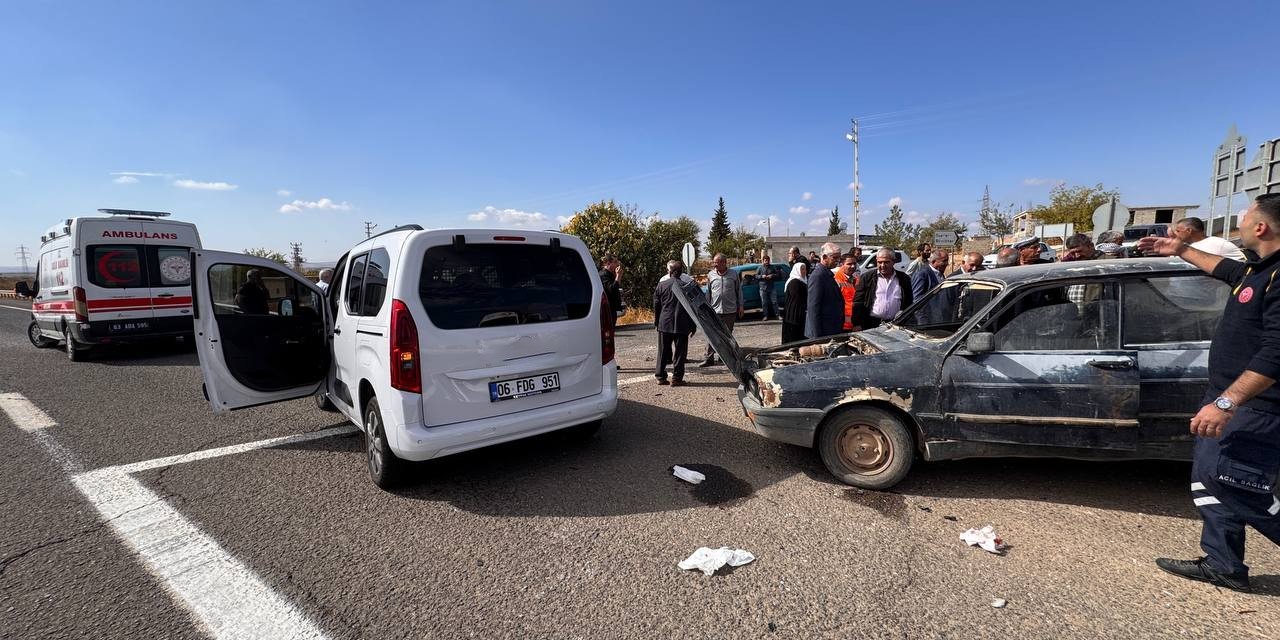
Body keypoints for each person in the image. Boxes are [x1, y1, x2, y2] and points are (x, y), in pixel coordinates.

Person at [1138, 194, 1280, 594]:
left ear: (1261, 227)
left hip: (1255, 406)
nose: (1240, 220)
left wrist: (1226, 402)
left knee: (1234, 482)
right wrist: (1181, 249)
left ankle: (1225, 562)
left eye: (1246, 215)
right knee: (1208, 478)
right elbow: (1230, 272)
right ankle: (1224, 564)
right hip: (1228, 397)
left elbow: (1276, 352)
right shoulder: (1260, 268)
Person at [653, 260, 696, 387]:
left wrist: (657, 322)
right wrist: (693, 325)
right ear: (681, 272)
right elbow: (693, 308)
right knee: (680, 352)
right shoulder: (686, 286)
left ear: (670, 272)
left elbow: (656, 305)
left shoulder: (661, 285)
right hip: (682, 324)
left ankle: (660, 376)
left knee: (663, 351)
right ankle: (677, 378)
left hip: (664, 323)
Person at [698, 253, 743, 367]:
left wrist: (741, 306)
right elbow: (708, 293)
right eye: (714, 262)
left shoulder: (733, 274)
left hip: (730, 311)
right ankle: (709, 358)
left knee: (727, 336)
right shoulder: (711, 275)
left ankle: (725, 358)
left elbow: (739, 291)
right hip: (715, 311)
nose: (714, 265)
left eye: (716, 263)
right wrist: (706, 309)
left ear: (724, 263)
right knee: (711, 334)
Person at [853, 248, 913, 330]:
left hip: (896, 325)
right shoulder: (867, 278)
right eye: (879, 262)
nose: (882, 265)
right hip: (871, 324)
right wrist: (857, 323)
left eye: (886, 262)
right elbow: (858, 302)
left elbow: (909, 302)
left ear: (894, 261)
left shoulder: (904, 278)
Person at [805, 242, 844, 339]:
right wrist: (817, 337)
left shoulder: (826, 273)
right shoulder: (818, 276)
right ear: (825, 257)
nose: (837, 261)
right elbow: (813, 308)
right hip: (823, 332)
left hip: (830, 329)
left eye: (839, 258)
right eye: (834, 258)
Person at [1172, 217, 1247, 262]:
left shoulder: (1219, 244)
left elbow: (1242, 264)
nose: (1175, 233)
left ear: (1189, 231)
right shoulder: (1181, 246)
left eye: (1178, 231)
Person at [782, 262, 809, 343]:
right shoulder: (794, 282)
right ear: (797, 270)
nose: (804, 271)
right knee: (793, 336)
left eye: (805, 269)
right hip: (793, 314)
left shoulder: (803, 281)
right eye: (802, 269)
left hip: (799, 312)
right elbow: (797, 298)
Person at [833, 253, 860, 331]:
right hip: (842, 325)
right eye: (849, 264)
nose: (853, 266)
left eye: (854, 264)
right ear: (842, 264)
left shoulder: (855, 279)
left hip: (854, 324)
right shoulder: (836, 280)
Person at [599, 254, 623, 330]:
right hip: (607, 309)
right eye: (615, 262)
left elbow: (616, 288)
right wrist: (618, 276)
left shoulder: (610, 274)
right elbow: (611, 289)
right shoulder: (603, 275)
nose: (617, 264)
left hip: (612, 309)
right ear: (608, 263)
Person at [757, 254, 780, 320]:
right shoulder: (760, 268)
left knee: (774, 302)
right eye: (765, 260)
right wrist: (761, 276)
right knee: (764, 303)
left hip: (771, 287)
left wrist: (772, 275)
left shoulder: (772, 267)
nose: (766, 262)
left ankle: (777, 315)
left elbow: (778, 275)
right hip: (762, 288)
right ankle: (765, 316)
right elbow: (756, 276)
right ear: (763, 261)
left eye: (768, 260)